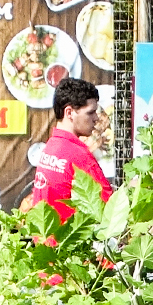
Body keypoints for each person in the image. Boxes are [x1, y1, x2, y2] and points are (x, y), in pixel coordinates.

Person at [30, 77, 112, 222]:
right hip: (69, 242)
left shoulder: (51, 146)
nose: (96, 118)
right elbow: (110, 207)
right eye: (90, 112)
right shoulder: (78, 155)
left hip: (46, 240)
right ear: (69, 113)